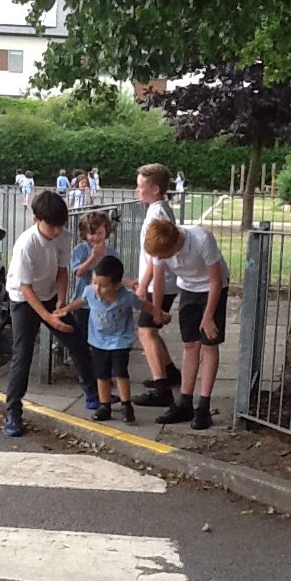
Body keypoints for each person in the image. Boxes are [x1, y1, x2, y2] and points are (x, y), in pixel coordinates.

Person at [2, 190, 100, 437]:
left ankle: (91, 391)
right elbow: (25, 287)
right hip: (24, 300)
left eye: (60, 225)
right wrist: (48, 318)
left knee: (77, 341)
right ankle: (13, 411)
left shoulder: (63, 236)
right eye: (51, 226)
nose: (56, 231)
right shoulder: (26, 244)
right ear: (36, 219)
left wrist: (60, 301)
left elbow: (62, 271)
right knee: (22, 354)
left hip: (49, 296)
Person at [55, 255, 168, 425]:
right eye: (94, 282)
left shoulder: (126, 296)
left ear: (117, 285)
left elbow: (143, 305)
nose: (97, 288)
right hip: (98, 340)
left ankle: (126, 404)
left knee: (120, 372)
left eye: (102, 285)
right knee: (101, 374)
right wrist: (66, 309)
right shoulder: (90, 292)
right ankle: (104, 405)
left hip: (120, 340)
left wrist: (158, 313)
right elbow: (81, 301)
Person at [145, 218, 230, 430]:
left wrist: (209, 316)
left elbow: (216, 281)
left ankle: (203, 405)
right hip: (189, 289)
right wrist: (157, 310)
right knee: (190, 345)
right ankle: (185, 403)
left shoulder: (202, 239)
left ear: (175, 246)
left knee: (209, 344)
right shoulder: (159, 247)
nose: (162, 259)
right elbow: (158, 280)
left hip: (212, 290)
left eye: (165, 256)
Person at [132, 163, 182, 408]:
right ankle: (169, 372)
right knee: (150, 329)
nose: (137, 190)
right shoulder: (158, 209)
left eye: (141, 186)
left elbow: (156, 258)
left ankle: (161, 386)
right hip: (160, 283)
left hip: (159, 284)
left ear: (155, 188)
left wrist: (143, 286)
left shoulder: (157, 214)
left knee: (146, 331)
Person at [70, 211, 119, 342]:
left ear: (106, 232)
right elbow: (78, 272)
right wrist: (93, 257)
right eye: (92, 233)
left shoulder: (112, 253)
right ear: (85, 234)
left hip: (104, 304)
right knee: (81, 338)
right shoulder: (79, 250)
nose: (96, 237)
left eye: (100, 233)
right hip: (83, 303)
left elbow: (117, 276)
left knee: (101, 338)